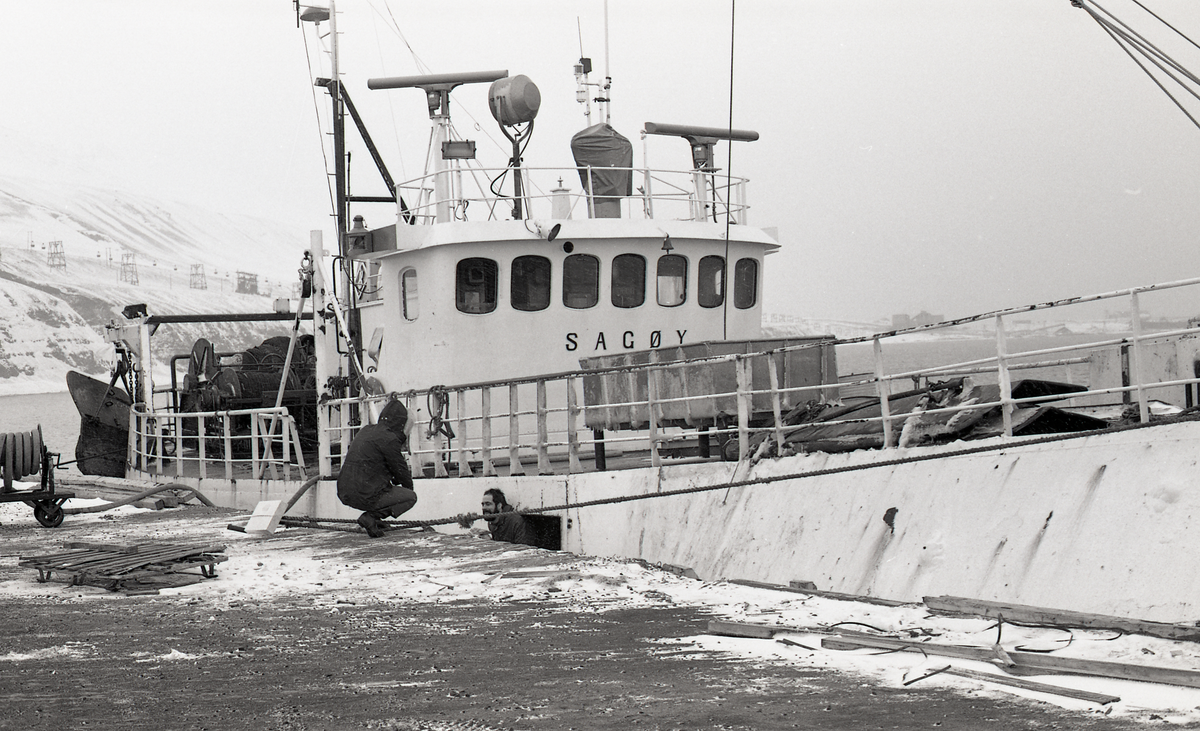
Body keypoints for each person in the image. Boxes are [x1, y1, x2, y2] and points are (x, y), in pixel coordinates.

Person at [337, 399, 416, 538]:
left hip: (344, 492)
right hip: (364, 493)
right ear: (400, 423)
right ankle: (371, 516)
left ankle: (376, 518)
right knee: (409, 497)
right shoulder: (389, 438)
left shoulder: (366, 430)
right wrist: (407, 489)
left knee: (380, 486)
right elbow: (401, 471)